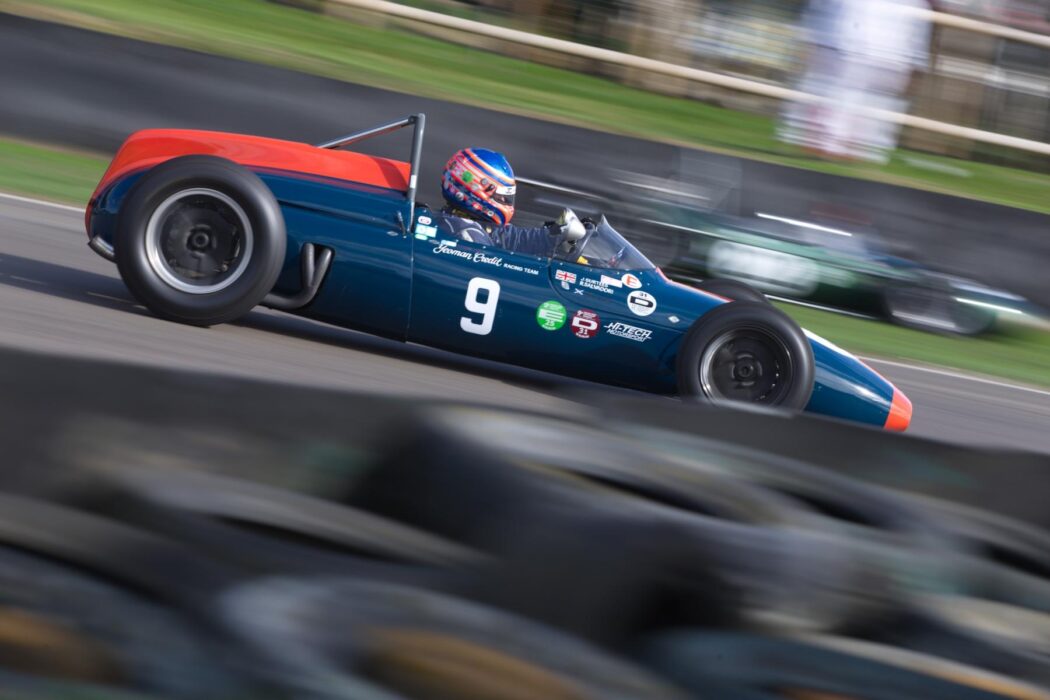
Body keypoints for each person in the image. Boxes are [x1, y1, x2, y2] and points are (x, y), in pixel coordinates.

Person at [435, 148, 584, 256]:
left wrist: (553, 235)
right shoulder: (468, 237)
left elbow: (511, 238)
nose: (505, 202)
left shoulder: (466, 222)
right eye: (501, 197)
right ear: (475, 190)